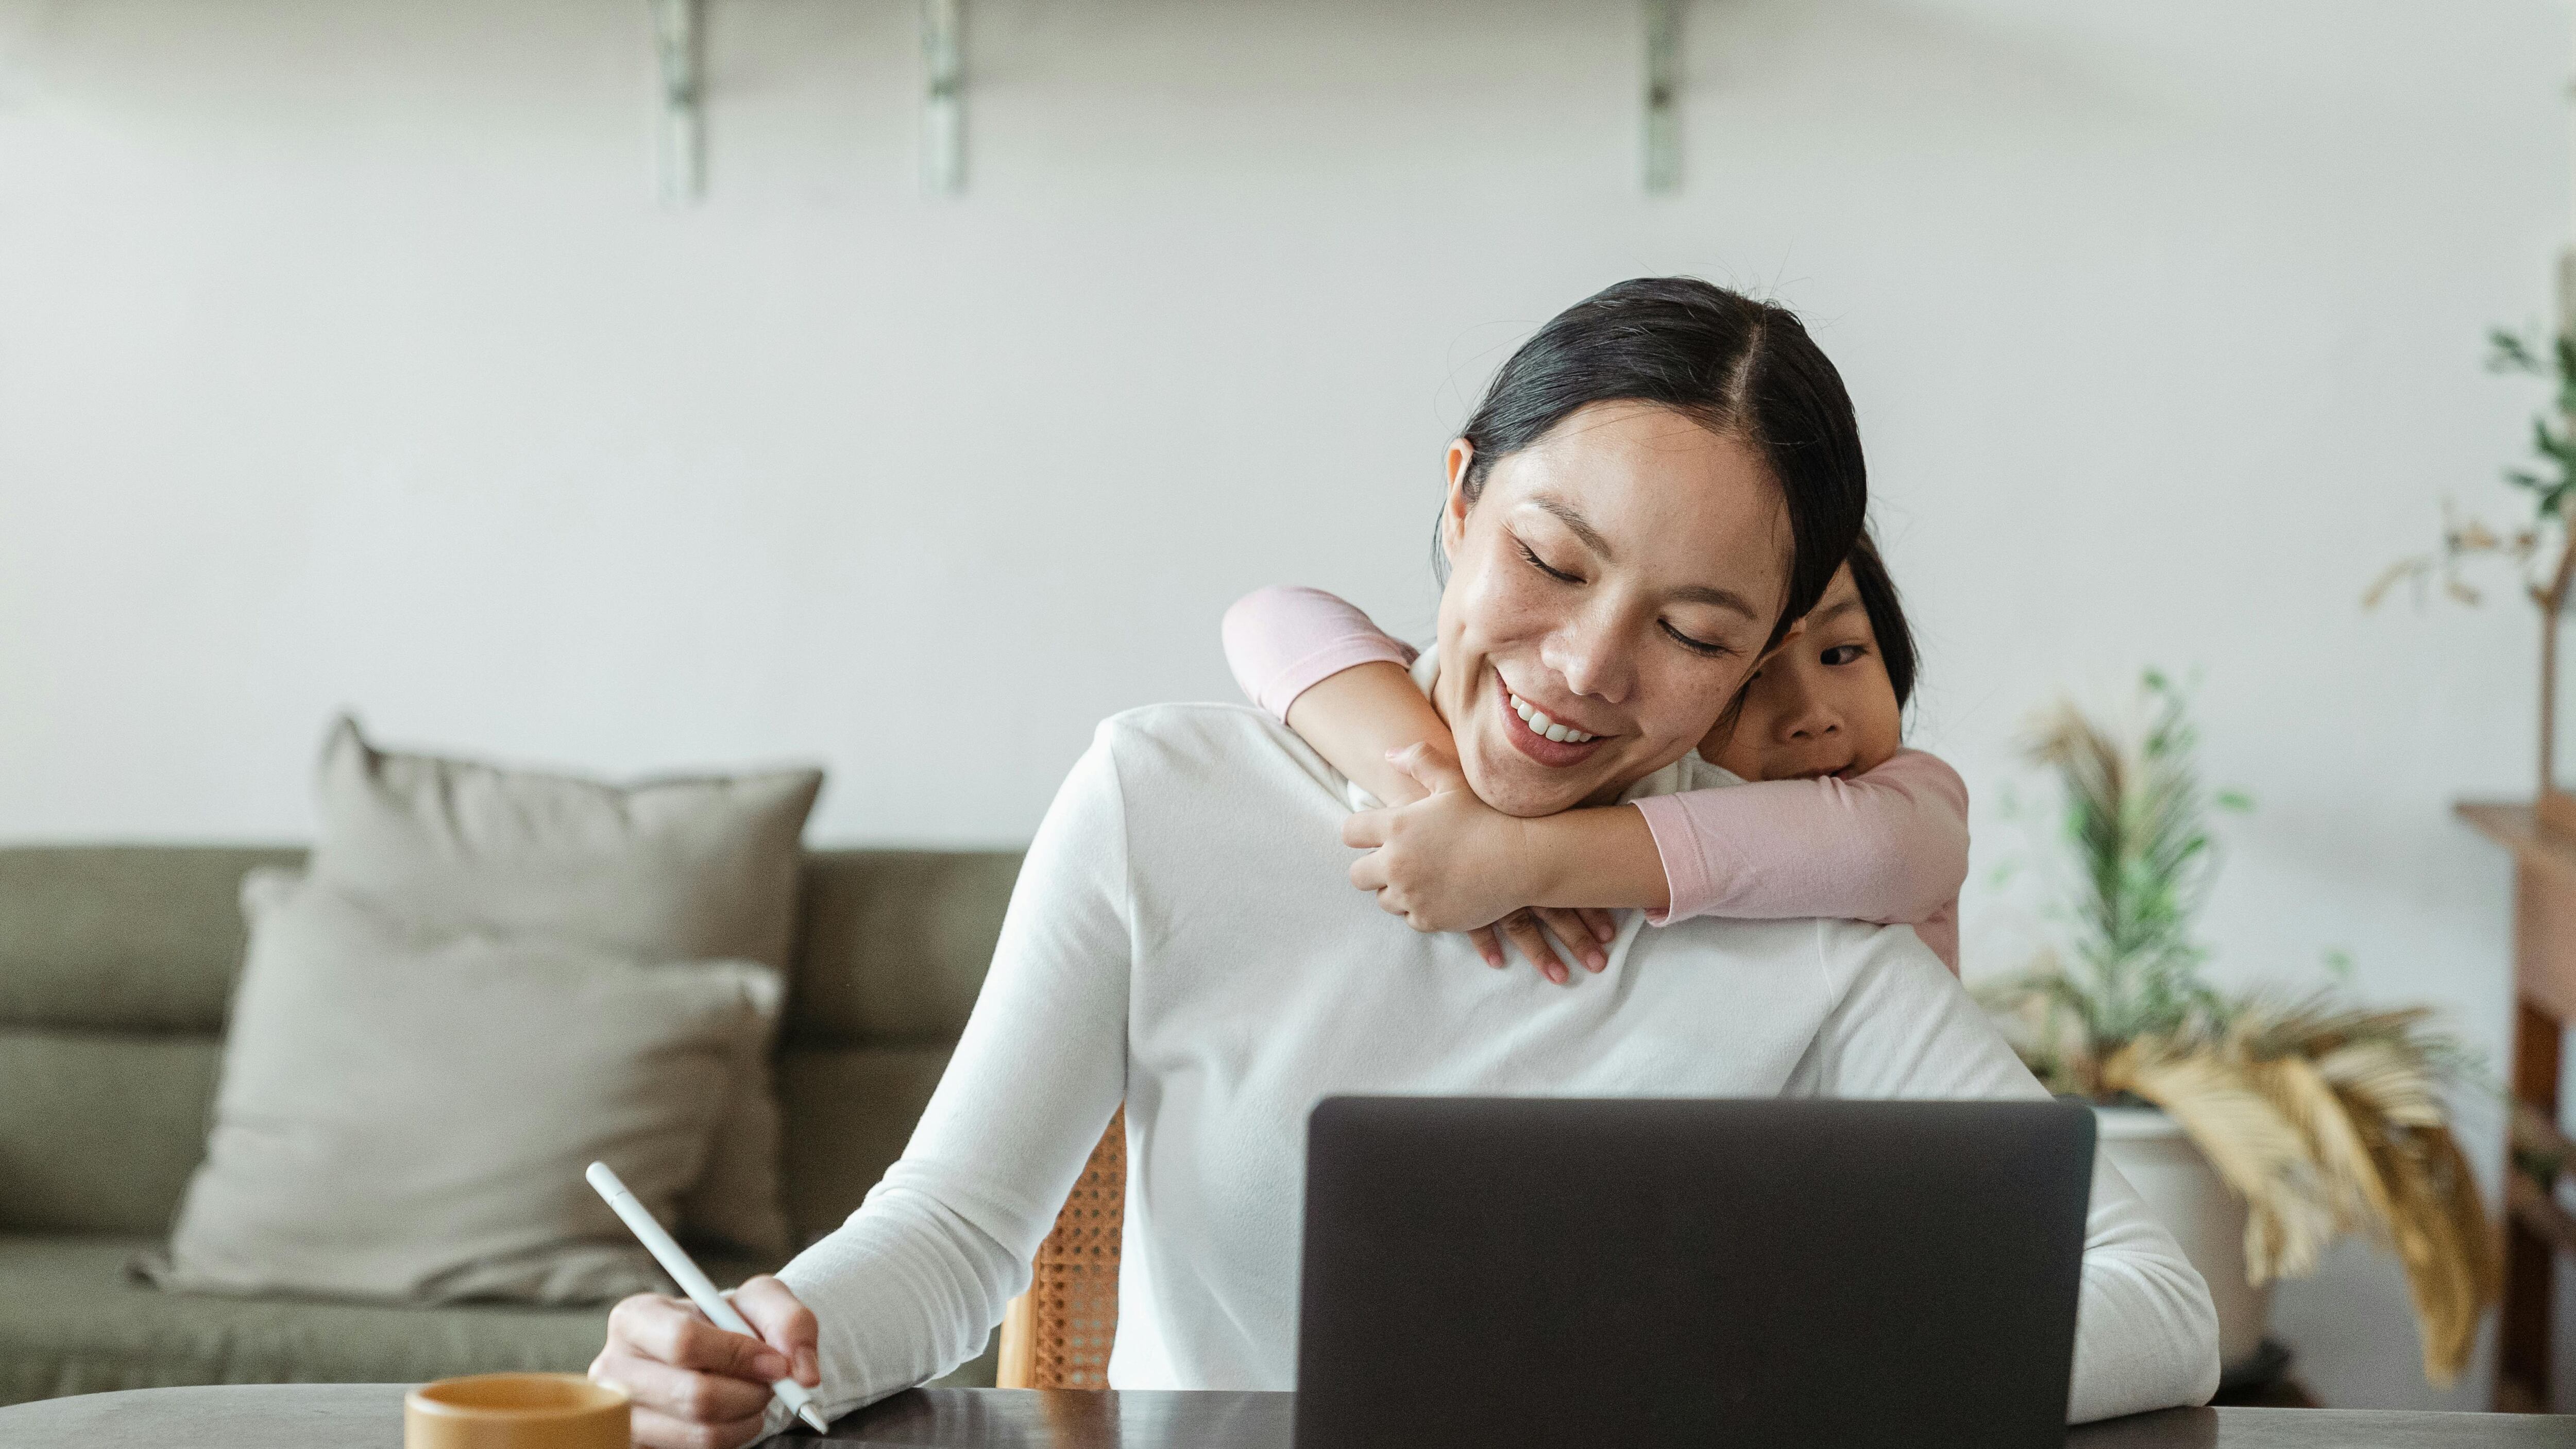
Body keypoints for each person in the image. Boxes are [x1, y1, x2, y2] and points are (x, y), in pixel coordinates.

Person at [589, 279, 2220, 1448]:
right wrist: (755, 1339)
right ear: (1457, 501)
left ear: (1760, 663)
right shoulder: (1167, 799)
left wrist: (1776, 1367)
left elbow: (2159, 1300)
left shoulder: (1806, 926)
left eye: (1693, 631)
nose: (1586, 667)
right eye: (1549, 560)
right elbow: (951, 1237)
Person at [1218, 531, 1965, 985]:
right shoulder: (1617, 770)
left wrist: (1519, 857)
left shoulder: (1911, 802)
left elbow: (1877, 850)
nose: (1812, 718)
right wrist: (1446, 805)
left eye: (1843, 653)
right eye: (1749, 678)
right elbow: (1271, 619)